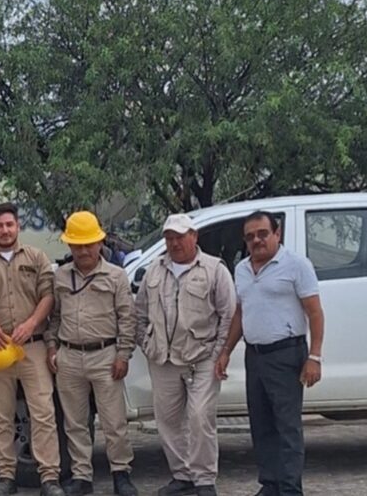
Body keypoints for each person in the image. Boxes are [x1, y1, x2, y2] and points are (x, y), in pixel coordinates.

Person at [214, 211, 325, 496]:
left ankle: (290, 489)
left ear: (277, 233)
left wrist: (314, 357)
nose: (257, 240)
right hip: (255, 356)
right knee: (261, 425)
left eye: (263, 234)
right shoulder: (241, 269)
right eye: (250, 236)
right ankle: (270, 485)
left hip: (286, 354)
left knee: (287, 427)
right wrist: (226, 350)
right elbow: (241, 313)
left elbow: (314, 312)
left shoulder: (296, 265)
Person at [135, 214, 236, 496]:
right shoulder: (154, 270)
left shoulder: (214, 269)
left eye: (180, 237)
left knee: (200, 417)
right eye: (169, 238)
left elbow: (228, 315)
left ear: (194, 236)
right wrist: (146, 343)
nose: (174, 243)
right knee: (167, 420)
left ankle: (204, 479)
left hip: (202, 357)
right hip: (162, 359)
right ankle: (182, 476)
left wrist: (219, 353)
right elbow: (139, 313)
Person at [0, 202, 65, 496]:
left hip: (32, 346)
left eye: (9, 224)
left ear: (17, 226)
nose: (5, 230)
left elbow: (48, 296)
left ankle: (49, 477)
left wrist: (32, 322)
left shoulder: (36, 257)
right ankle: (6, 476)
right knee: (1, 415)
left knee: (43, 413)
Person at [46, 211, 138, 496]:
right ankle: (82, 476)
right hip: (69, 356)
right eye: (77, 245)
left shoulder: (116, 276)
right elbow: (54, 316)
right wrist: (52, 347)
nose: (83, 251)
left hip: (105, 356)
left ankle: (121, 474)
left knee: (114, 421)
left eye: (88, 244)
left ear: (100, 243)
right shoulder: (60, 276)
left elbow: (127, 318)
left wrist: (123, 354)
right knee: (75, 422)